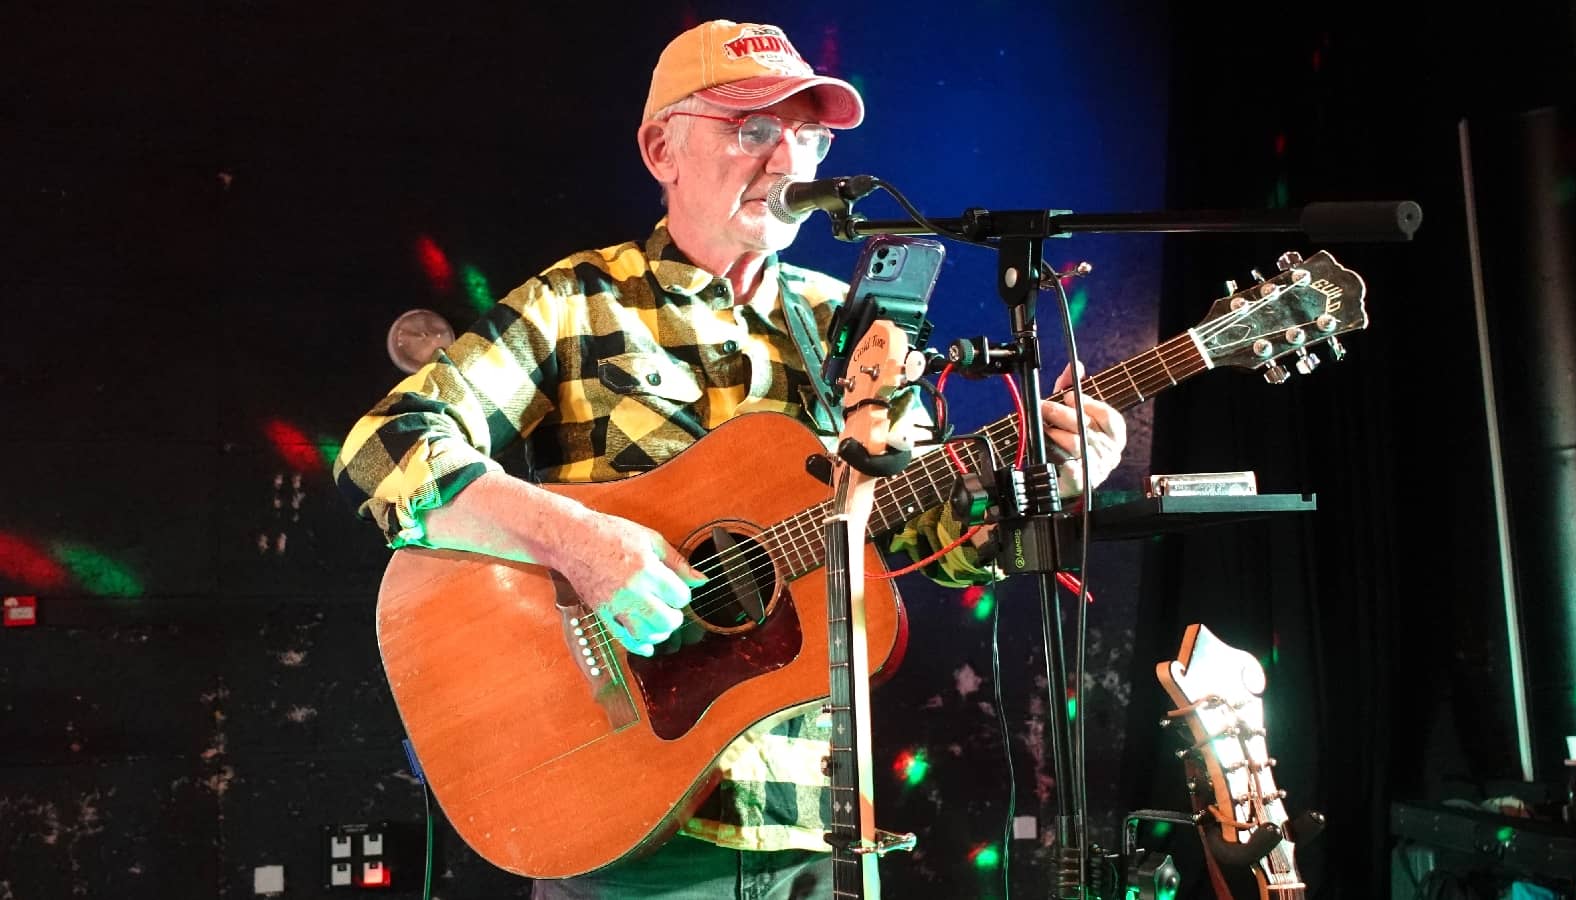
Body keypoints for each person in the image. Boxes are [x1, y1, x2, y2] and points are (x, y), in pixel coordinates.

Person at [333, 19, 1128, 900]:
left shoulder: (856, 328)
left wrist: (1043, 478)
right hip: (625, 817)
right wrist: (581, 542)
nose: (789, 162)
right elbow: (386, 449)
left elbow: (926, 546)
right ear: (661, 148)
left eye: (809, 137)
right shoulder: (581, 301)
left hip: (816, 815)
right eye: (753, 130)